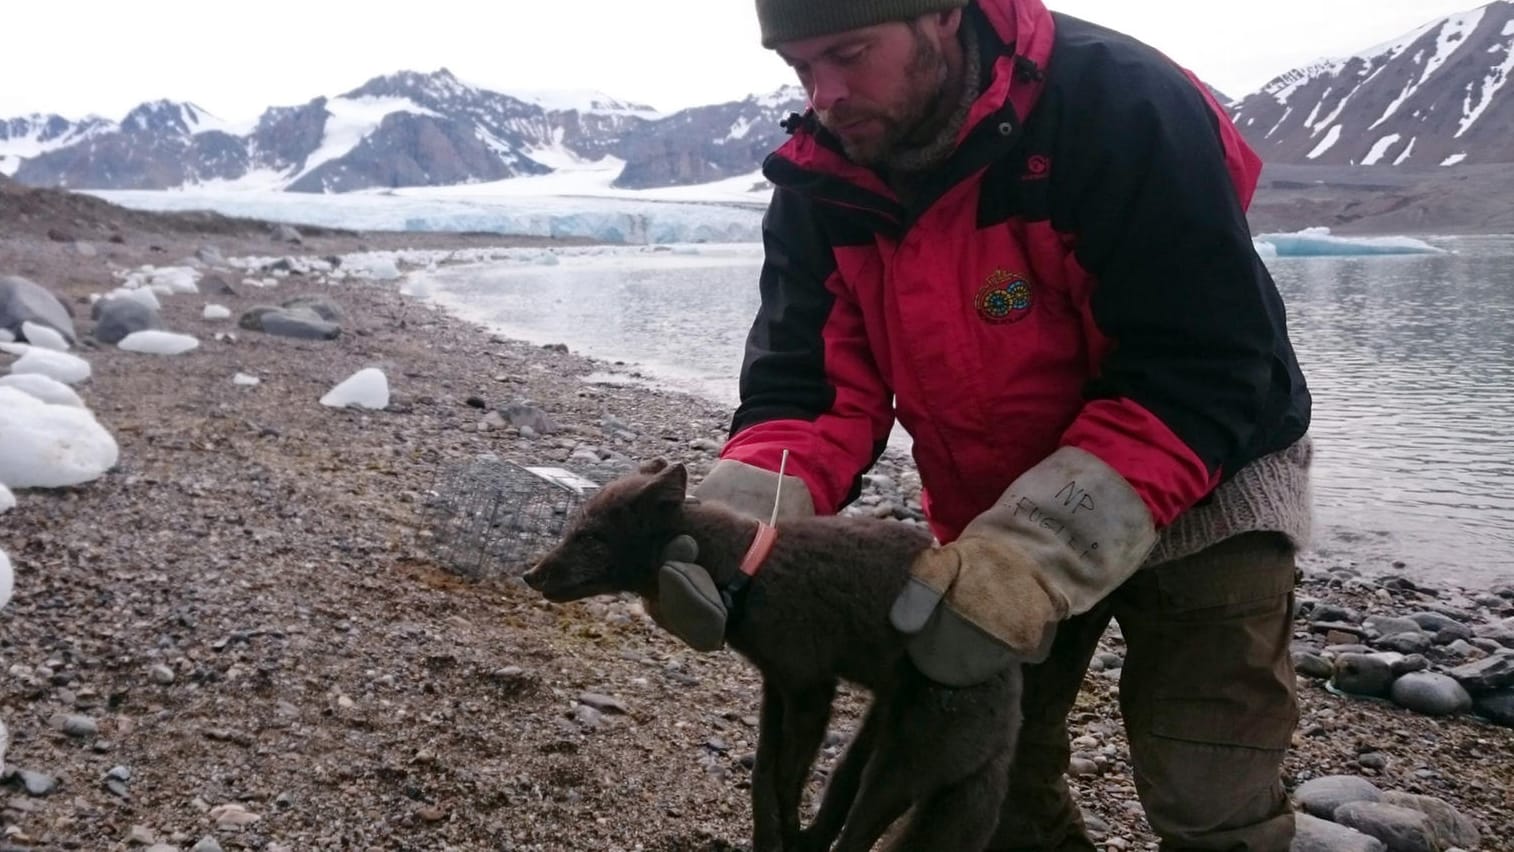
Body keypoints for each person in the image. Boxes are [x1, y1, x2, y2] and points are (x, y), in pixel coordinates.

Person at [660, 0, 1314, 849]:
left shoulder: (1121, 108)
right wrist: (737, 530)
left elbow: (1201, 367)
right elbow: (810, 389)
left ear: (940, 16)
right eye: (798, 68)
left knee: (1208, 786)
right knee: (982, 769)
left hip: (1212, 479)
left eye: (848, 54)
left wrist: (1034, 551)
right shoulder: (826, 181)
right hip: (995, 501)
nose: (823, 96)